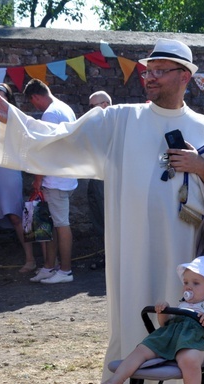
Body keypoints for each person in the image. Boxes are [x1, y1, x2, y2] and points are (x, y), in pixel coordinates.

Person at [0, 38, 204, 384]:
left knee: (177, 317)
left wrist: (200, 167)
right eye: (147, 70)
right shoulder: (119, 119)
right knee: (133, 314)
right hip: (131, 244)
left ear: (185, 76)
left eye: (160, 71)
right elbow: (62, 138)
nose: (149, 77)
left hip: (183, 249)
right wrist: (14, 121)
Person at [100, 256, 204, 384]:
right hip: (168, 335)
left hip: (193, 338)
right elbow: (165, 324)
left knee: (189, 360)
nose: (188, 286)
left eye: (196, 283)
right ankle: (119, 378)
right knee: (142, 349)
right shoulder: (183, 303)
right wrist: (163, 311)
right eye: (186, 282)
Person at [0, 83, 36, 276]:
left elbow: (15, 148)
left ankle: (30, 259)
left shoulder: (14, 118)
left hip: (8, 170)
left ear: (8, 100)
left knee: (16, 215)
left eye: (1, 97)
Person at [23, 78, 78, 285]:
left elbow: (46, 149)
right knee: (55, 224)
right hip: (66, 176)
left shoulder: (50, 113)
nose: (34, 107)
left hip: (56, 179)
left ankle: (65, 270)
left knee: (61, 225)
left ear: (36, 97)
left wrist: (38, 179)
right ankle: (49, 267)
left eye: (32, 102)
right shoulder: (65, 108)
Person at [86, 91, 111, 270]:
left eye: (92, 107)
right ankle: (106, 255)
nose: (89, 111)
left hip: (108, 178)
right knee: (98, 219)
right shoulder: (94, 125)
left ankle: (113, 259)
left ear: (104, 105)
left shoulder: (113, 123)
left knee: (107, 218)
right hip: (94, 176)